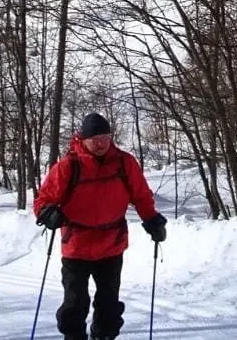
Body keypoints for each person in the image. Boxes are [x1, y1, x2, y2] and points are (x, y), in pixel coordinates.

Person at [33, 113, 166, 340]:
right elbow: (42, 200)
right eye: (95, 138)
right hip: (76, 246)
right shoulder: (68, 166)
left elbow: (142, 195)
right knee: (75, 302)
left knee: (108, 303)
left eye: (105, 137)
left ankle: (103, 336)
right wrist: (48, 214)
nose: (101, 143)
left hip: (111, 246)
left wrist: (152, 220)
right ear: (82, 139)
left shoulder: (125, 163)